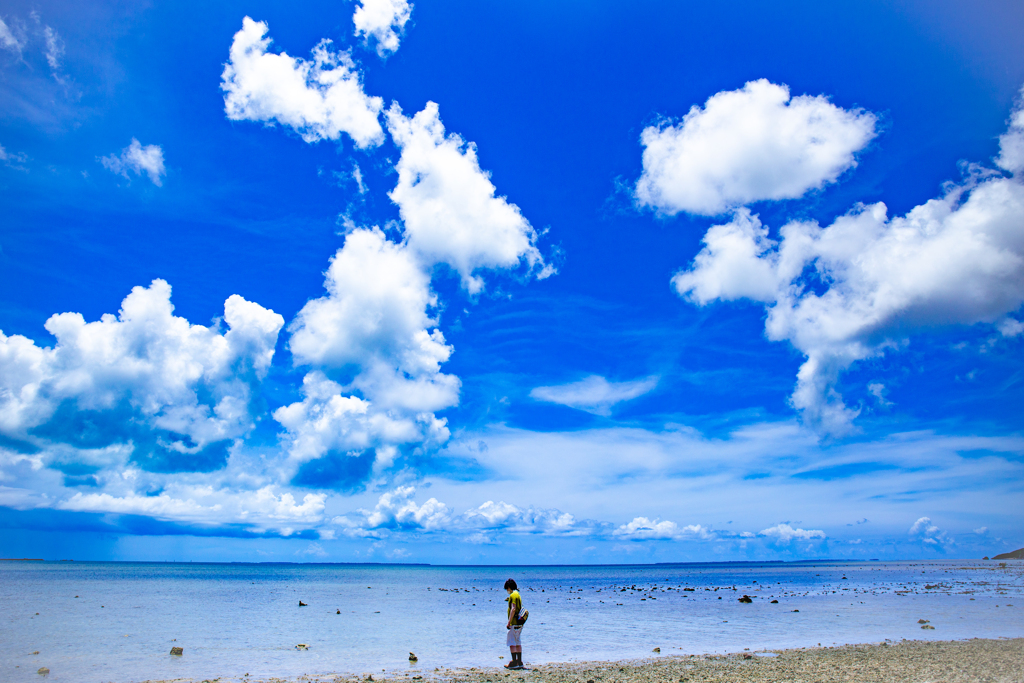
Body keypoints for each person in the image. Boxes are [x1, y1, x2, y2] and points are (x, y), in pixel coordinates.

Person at [504, 578, 528, 669]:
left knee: (511, 642)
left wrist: (509, 622)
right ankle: (520, 661)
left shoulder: (513, 595)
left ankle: (514, 662)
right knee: (518, 641)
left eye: (507, 588)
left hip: (514, 622)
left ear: (509, 587)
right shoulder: (518, 594)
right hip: (519, 623)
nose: (507, 590)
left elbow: (513, 609)